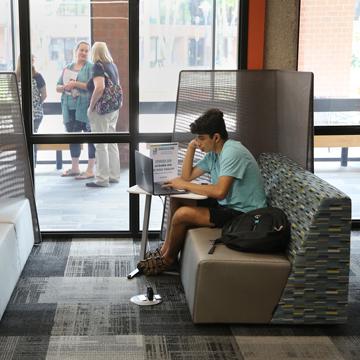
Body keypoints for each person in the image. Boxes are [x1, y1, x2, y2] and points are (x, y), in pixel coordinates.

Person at [137, 108, 267, 275]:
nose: (199, 142)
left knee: (183, 214)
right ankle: (164, 250)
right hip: (227, 204)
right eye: (196, 138)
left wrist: (184, 184)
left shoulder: (232, 152)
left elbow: (220, 191)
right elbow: (187, 176)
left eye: (201, 138)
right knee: (176, 198)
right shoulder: (215, 153)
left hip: (245, 214)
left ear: (216, 137)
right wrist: (191, 147)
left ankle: (168, 261)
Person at [56, 41, 95, 179]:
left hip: (85, 108)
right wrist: (65, 87)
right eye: (81, 50)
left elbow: (92, 86)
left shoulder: (91, 67)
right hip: (69, 108)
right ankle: (75, 168)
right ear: (76, 51)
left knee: (90, 138)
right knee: (73, 138)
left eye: (86, 51)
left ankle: (90, 169)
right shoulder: (67, 67)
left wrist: (75, 84)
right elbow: (57, 87)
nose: (84, 53)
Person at [85, 42, 121, 188]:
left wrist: (91, 106)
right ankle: (114, 175)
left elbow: (99, 88)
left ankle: (102, 179)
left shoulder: (98, 66)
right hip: (113, 109)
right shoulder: (112, 65)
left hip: (102, 110)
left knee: (100, 144)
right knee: (111, 142)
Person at [15, 55, 47, 133]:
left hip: (35, 115)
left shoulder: (37, 76)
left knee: (29, 137)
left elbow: (44, 95)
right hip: (20, 115)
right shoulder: (15, 77)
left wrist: (36, 104)